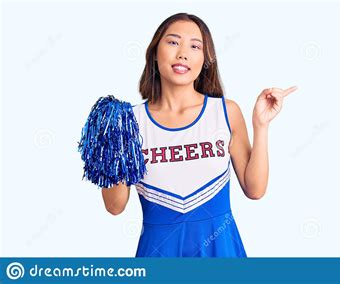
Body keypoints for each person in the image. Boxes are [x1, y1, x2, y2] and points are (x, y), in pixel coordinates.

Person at [101, 12, 297, 257]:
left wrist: (261, 125)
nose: (183, 52)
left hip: (221, 251)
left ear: (205, 59)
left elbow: (254, 189)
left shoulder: (226, 112)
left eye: (195, 46)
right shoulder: (129, 122)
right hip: (159, 253)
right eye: (173, 42)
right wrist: (111, 147)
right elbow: (114, 206)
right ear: (154, 52)